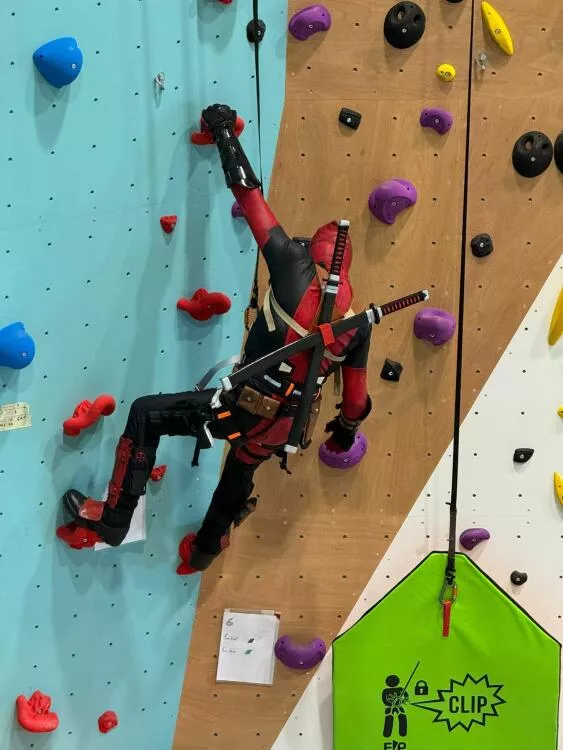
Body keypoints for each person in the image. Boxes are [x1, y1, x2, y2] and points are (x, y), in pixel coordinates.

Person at [56, 104, 372, 573]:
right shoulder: (359, 323)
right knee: (242, 464)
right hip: (288, 425)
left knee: (146, 415)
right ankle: (203, 551)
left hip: (243, 405)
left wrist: (224, 132)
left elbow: (248, 195)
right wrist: (344, 432)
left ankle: (113, 522)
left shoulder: (292, 264)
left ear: (315, 254)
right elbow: (355, 403)